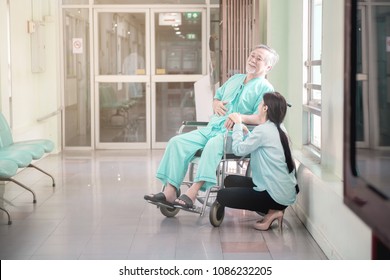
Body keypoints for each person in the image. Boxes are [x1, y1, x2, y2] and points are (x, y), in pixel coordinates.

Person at [144, 44, 279, 210]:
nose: (253, 60)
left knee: (213, 145)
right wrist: (215, 103)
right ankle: (170, 192)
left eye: (259, 59)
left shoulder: (266, 89)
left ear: (268, 66)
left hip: (235, 134)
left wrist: (239, 118)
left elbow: (261, 118)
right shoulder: (235, 79)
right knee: (176, 142)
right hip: (212, 128)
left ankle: (192, 194)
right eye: (252, 55)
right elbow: (218, 97)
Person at [216, 92, 297, 231]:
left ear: (265, 108)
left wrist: (237, 124)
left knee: (222, 195)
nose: (259, 106)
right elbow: (261, 144)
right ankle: (274, 210)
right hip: (284, 192)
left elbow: (238, 150)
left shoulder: (263, 131)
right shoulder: (279, 128)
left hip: (274, 195)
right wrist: (246, 133)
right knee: (230, 181)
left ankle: (272, 210)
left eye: (260, 103)